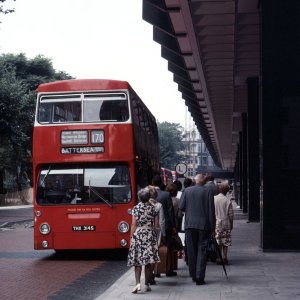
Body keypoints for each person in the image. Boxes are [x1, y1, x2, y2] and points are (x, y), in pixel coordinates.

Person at [179, 173, 216, 285]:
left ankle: (193, 275)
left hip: (190, 224)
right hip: (203, 226)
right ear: (204, 182)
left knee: (191, 250)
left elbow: (181, 207)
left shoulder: (187, 191)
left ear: (195, 181)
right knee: (202, 250)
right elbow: (211, 211)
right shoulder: (208, 191)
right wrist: (212, 227)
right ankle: (200, 277)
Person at [127, 187, 160, 293]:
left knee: (137, 262)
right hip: (149, 235)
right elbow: (156, 226)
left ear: (139, 198)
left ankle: (137, 284)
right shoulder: (153, 208)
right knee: (148, 262)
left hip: (138, 235)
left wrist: (131, 237)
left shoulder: (135, 208)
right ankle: (146, 284)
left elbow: (133, 224)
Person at [152, 174, 177, 277]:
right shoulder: (166, 195)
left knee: (153, 249)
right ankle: (167, 269)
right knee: (167, 247)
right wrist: (173, 226)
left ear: (153, 183)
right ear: (161, 183)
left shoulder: (149, 194)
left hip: (151, 225)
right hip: (165, 225)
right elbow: (171, 212)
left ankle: (155, 272)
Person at [148, 185, 165, 284]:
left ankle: (147, 275)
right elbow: (162, 221)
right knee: (154, 254)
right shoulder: (158, 205)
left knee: (147, 253)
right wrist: (163, 234)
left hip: (146, 231)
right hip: (156, 232)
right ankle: (152, 274)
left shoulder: (143, 205)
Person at [214, 181, 234, 265]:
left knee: (218, 240)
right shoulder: (227, 200)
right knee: (225, 241)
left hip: (216, 223)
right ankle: (225, 256)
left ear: (219, 189)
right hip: (226, 222)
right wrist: (231, 224)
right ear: (226, 191)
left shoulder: (214, 198)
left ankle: (219, 257)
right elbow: (231, 214)